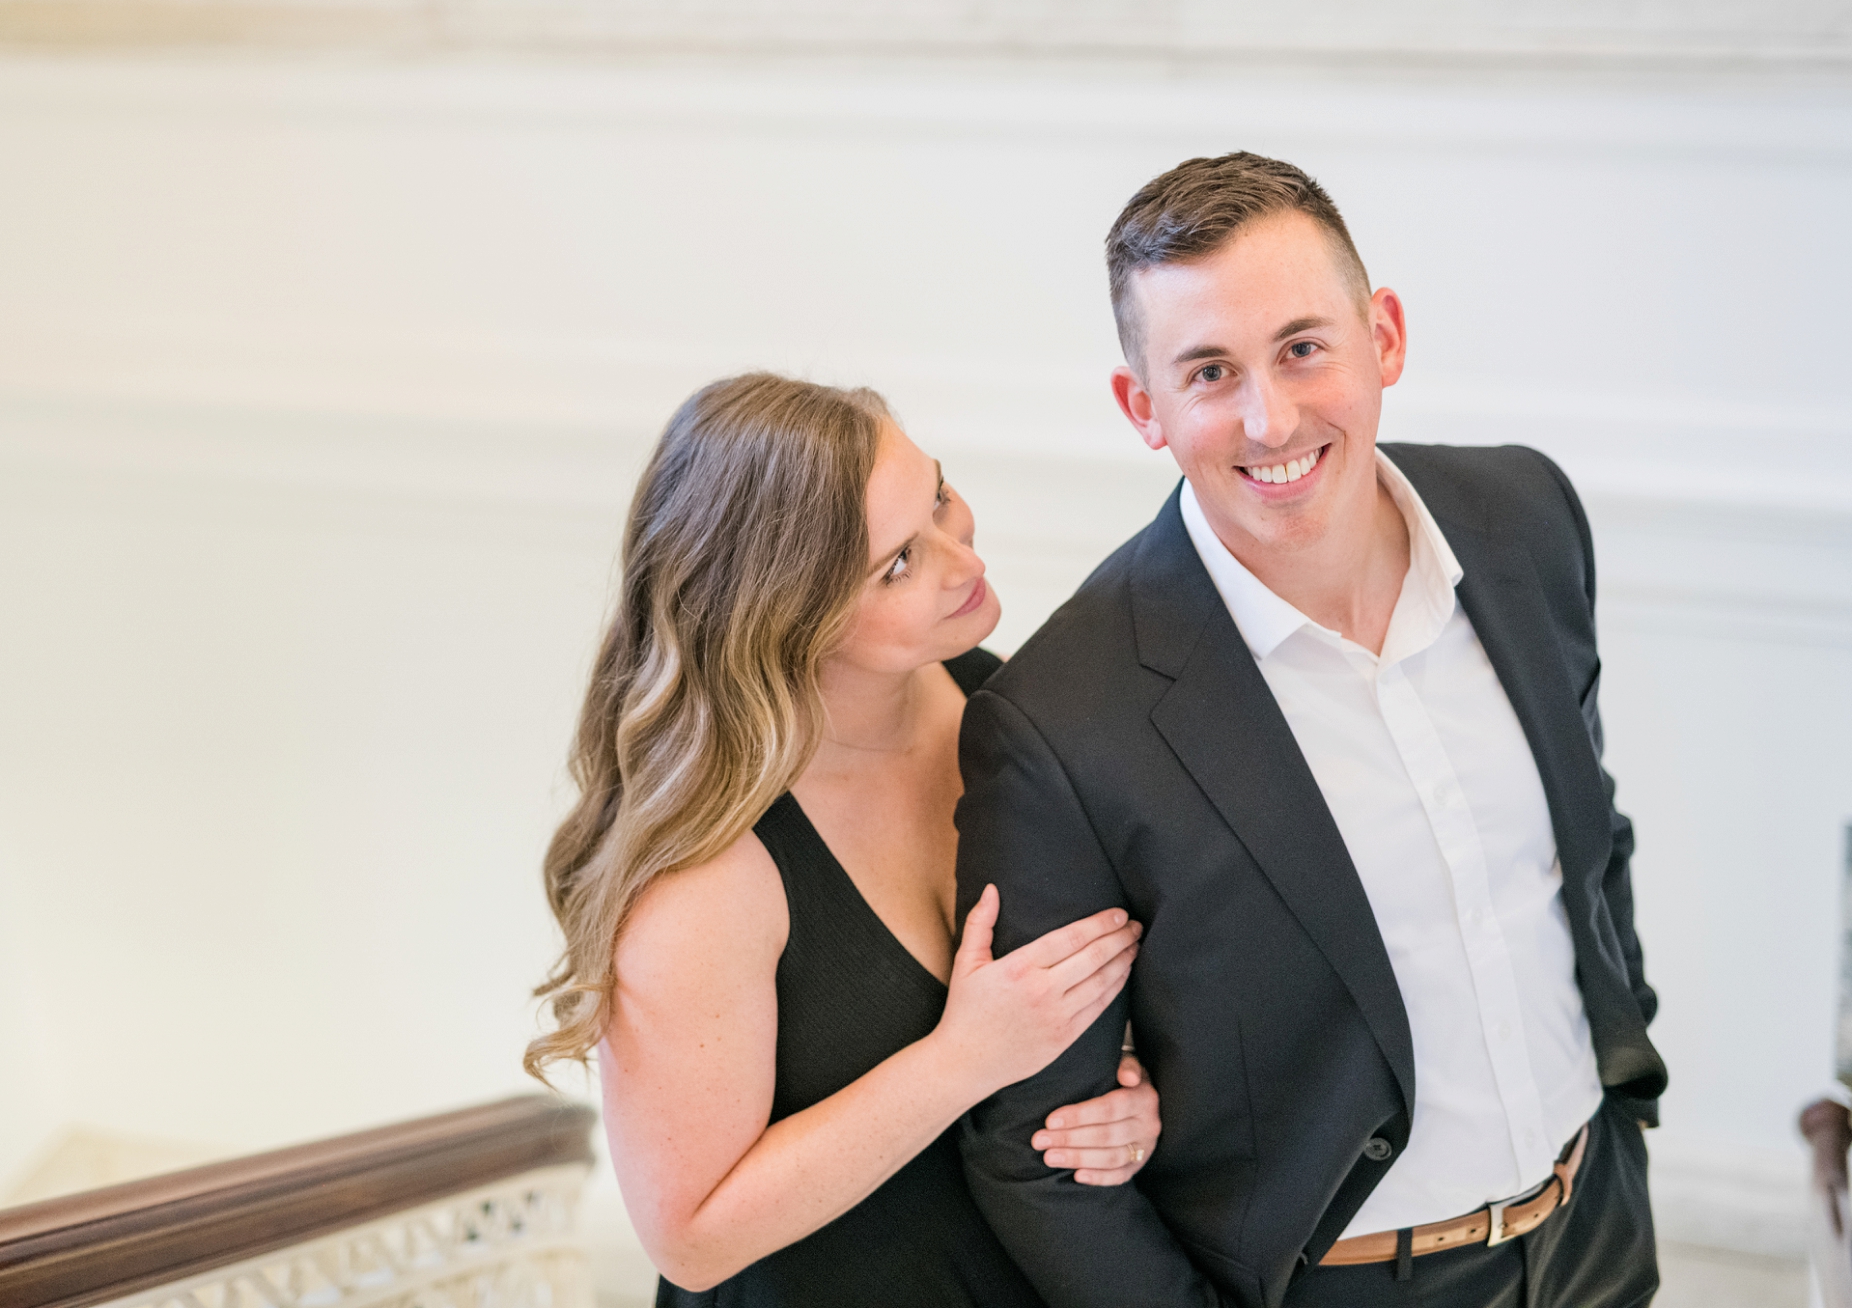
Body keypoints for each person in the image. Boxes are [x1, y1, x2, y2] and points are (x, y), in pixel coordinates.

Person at [953, 153, 1667, 1308]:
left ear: (1381, 336)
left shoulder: (1525, 516)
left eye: (1300, 348)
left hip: (1596, 1233)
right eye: (1208, 372)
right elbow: (1038, 1155)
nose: (1268, 418)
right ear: (1142, 408)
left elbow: (1587, 842)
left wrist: (1623, 1105)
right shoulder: (1059, 720)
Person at [526, 373, 1162, 1305]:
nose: (961, 558)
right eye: (897, 563)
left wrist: (1121, 1100)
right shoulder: (707, 870)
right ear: (787, 618)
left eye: (938, 496)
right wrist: (962, 1059)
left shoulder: (993, 698)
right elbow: (690, 1238)